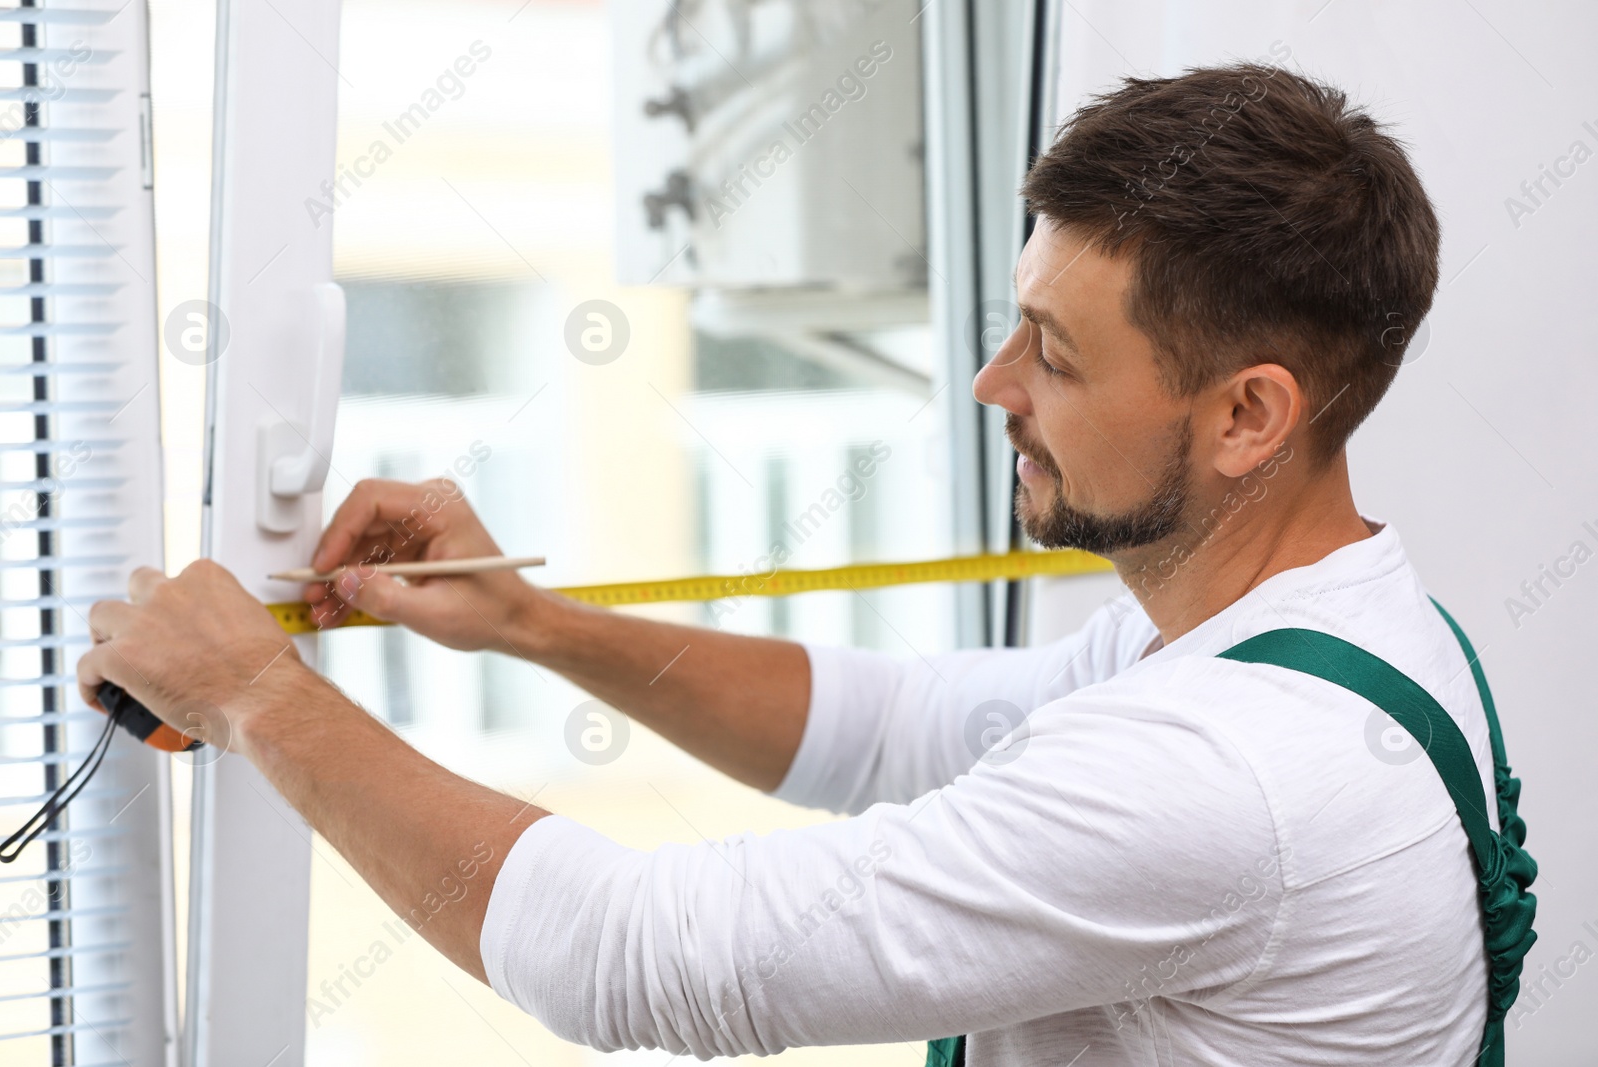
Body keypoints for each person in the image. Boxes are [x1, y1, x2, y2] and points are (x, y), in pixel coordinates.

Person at [80, 62, 1519, 1064]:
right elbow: (902, 728)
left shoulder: (1226, 775)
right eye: (1017, 320)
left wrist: (262, 697)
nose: (991, 383)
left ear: (1249, 414)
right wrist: (533, 624)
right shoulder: (1324, 631)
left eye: (1056, 355)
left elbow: (641, 958)